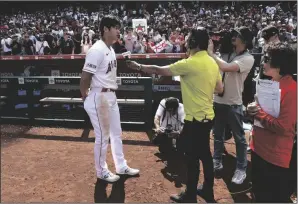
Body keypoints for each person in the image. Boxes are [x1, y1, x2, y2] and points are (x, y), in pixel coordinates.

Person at [127, 27, 223, 203]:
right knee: (206, 155)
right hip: (208, 116)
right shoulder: (212, 62)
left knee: (191, 157)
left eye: (188, 38)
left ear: (193, 43)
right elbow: (220, 89)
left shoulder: (189, 63)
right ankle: (208, 191)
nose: (185, 41)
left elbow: (159, 70)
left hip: (194, 119)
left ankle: (191, 194)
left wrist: (139, 66)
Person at [79, 15, 139, 183]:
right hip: (99, 96)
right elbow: (85, 78)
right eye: (116, 28)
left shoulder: (110, 48)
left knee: (116, 133)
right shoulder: (97, 49)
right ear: (106, 29)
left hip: (110, 95)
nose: (118, 31)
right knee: (103, 136)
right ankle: (101, 171)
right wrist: (85, 98)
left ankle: (121, 165)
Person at [247, 42, 297, 203]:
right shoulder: (270, 83)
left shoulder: (291, 89)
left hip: (274, 158)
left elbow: (283, 127)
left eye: (267, 59)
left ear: (279, 65)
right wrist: (251, 109)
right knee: (259, 195)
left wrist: (258, 113)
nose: (263, 62)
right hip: (259, 149)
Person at [208, 26, 255, 185]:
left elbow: (227, 67)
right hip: (218, 101)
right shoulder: (228, 53)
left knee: (239, 138)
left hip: (234, 103)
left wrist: (212, 54)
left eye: (238, 35)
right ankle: (217, 160)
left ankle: (241, 168)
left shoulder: (248, 58)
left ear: (246, 40)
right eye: (233, 34)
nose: (234, 36)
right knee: (218, 135)